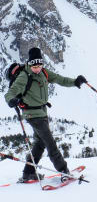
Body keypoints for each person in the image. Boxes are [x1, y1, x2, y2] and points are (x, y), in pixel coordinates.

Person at [4, 46, 87, 182]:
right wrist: (11, 100)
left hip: (42, 111)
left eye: (39, 65)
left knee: (40, 143)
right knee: (50, 142)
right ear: (29, 64)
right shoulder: (24, 76)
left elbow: (60, 79)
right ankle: (63, 170)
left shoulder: (44, 73)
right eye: (34, 66)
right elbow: (10, 93)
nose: (37, 68)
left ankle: (28, 172)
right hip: (32, 114)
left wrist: (75, 82)